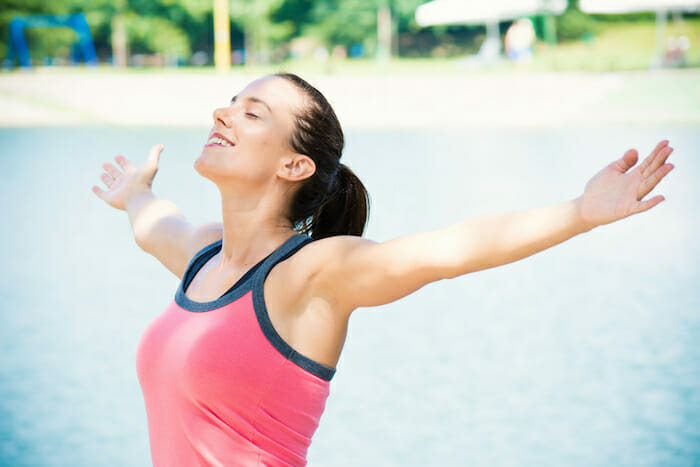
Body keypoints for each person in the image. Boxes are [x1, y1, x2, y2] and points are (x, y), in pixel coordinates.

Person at [91, 72, 674, 466]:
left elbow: (450, 250)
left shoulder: (312, 274)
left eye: (252, 112)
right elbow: (152, 225)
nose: (223, 113)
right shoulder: (202, 257)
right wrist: (136, 194)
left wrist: (580, 213)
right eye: (230, 104)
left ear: (294, 164)